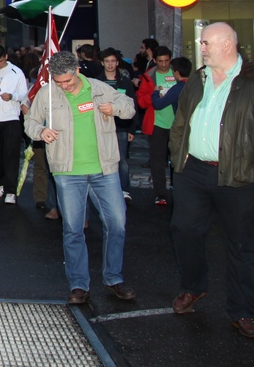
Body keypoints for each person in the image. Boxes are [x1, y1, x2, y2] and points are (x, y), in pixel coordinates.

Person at [167, 23, 254, 339]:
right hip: (193, 172)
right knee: (185, 230)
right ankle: (194, 287)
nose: (202, 47)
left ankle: (243, 312)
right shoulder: (198, 78)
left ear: (227, 44)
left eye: (206, 42)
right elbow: (181, 121)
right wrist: (178, 156)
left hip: (239, 176)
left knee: (240, 245)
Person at [24, 51, 137, 306]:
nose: (63, 86)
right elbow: (29, 121)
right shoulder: (47, 93)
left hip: (104, 169)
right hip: (67, 172)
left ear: (77, 71)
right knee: (73, 229)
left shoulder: (99, 89)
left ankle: (114, 277)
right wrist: (41, 131)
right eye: (58, 81)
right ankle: (78, 284)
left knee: (117, 224)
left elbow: (129, 108)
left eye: (67, 81)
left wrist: (115, 107)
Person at [0, 45, 30, 204]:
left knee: (11, 154)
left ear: (6, 57)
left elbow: (24, 94)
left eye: (0, 61)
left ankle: (11, 190)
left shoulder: (16, 72)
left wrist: (13, 96)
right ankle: (1, 184)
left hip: (11, 118)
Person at [136, 45, 177, 206]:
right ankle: (161, 194)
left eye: (167, 61)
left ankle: (177, 189)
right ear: (154, 60)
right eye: (160, 61)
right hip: (157, 124)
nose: (164, 64)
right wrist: (154, 94)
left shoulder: (177, 73)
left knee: (177, 160)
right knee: (157, 161)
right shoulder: (148, 77)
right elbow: (141, 101)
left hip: (176, 124)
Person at [100, 48, 137, 201]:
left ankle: (124, 190)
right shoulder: (97, 82)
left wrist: (132, 129)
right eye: (107, 61)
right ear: (102, 63)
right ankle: (105, 189)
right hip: (102, 126)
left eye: (113, 61)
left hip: (121, 126)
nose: (110, 65)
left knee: (121, 159)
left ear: (117, 63)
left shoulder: (125, 82)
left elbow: (132, 104)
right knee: (103, 158)